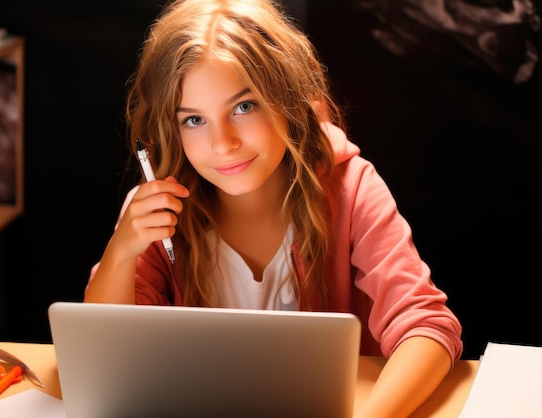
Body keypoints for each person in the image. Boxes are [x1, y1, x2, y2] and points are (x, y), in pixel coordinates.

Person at [85, 0, 463, 416]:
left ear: (289, 100)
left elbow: (426, 326)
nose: (222, 143)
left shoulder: (351, 187)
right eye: (194, 120)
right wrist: (121, 250)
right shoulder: (155, 210)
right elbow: (103, 356)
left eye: (244, 107)